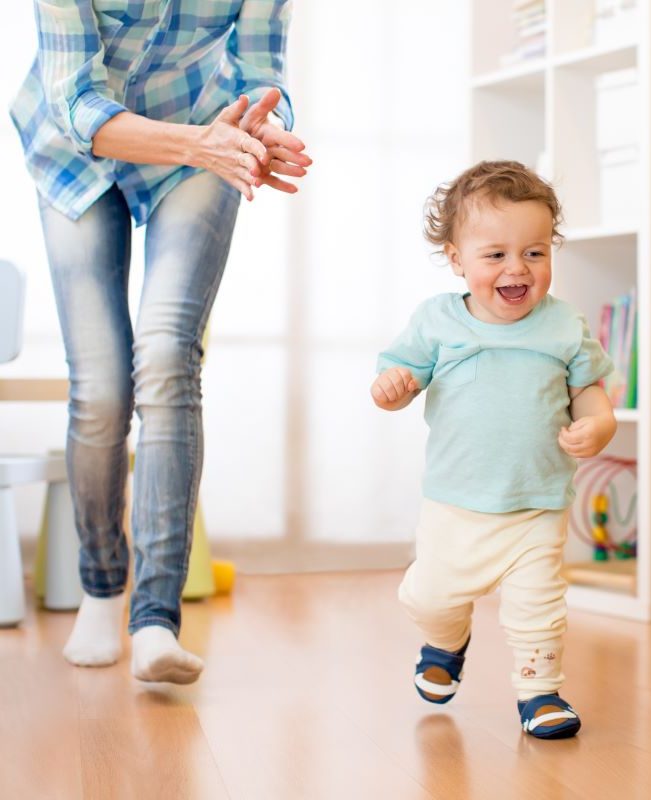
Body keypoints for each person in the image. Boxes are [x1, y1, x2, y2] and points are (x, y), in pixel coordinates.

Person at [9, 0, 311, 684]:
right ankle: (101, 586)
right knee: (103, 387)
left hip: (202, 133)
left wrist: (263, 131)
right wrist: (201, 142)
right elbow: (75, 100)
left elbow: (262, 72)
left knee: (170, 357)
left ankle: (154, 621)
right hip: (76, 147)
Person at [371, 160, 617, 739]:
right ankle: (446, 638)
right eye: (495, 255)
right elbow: (398, 376)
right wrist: (393, 388)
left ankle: (540, 694)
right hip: (456, 501)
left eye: (535, 253)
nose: (517, 268)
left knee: (537, 607)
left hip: (536, 500)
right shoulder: (437, 322)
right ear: (457, 259)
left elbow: (590, 394)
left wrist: (599, 426)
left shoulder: (562, 326)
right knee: (431, 595)